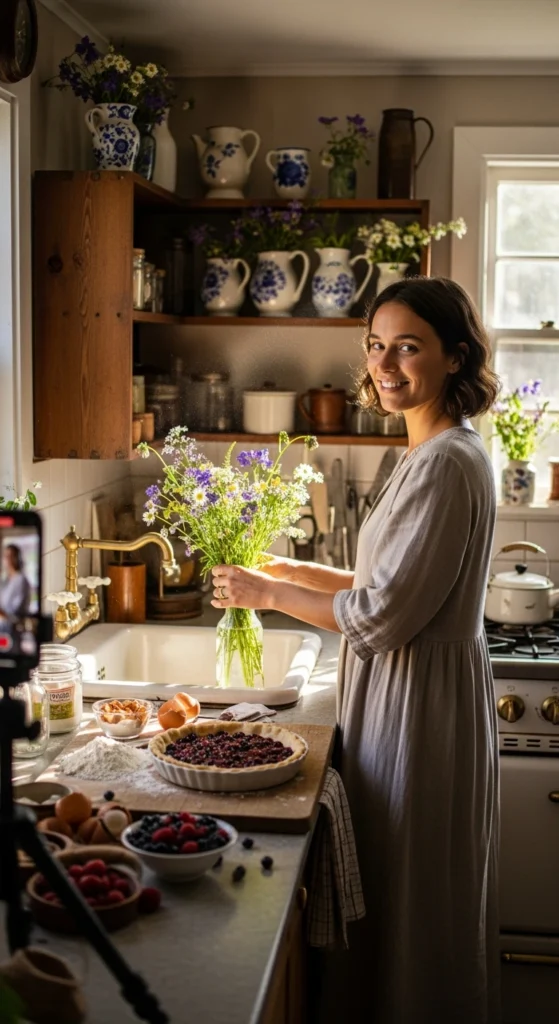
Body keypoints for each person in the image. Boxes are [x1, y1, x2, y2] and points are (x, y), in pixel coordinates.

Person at [211, 276, 501, 1023]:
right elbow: (385, 581)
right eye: (376, 346)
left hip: (418, 710)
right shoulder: (431, 451)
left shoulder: (443, 464)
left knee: (412, 904)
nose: (385, 364)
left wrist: (267, 596)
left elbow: (377, 619)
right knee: (404, 896)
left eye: (408, 346)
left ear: (454, 358)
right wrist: (289, 570)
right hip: (410, 694)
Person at [0, 544, 31, 620]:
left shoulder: (21, 580)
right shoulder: (5, 581)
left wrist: (3, 614)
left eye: (11, 556)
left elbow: (18, 609)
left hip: (15, 627)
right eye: (6, 556)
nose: (8, 560)